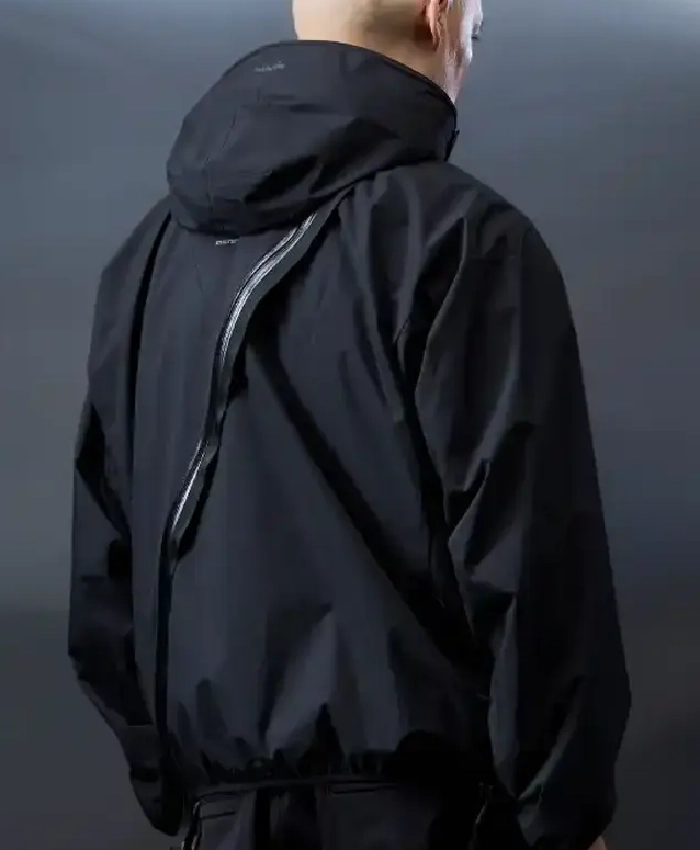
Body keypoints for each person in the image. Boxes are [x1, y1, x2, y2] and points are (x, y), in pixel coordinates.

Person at [67, 1, 630, 848]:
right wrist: (567, 816)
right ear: (441, 16)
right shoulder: (466, 242)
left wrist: (193, 792)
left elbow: (103, 586)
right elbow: (533, 567)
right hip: (435, 820)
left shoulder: (142, 266)